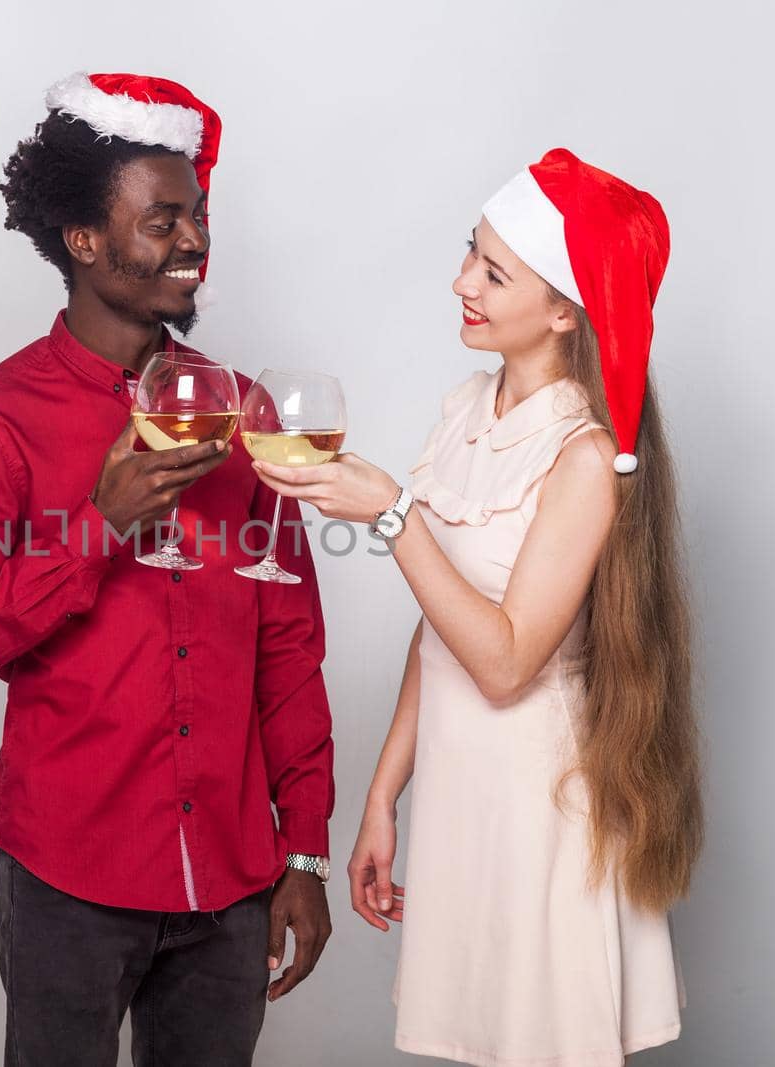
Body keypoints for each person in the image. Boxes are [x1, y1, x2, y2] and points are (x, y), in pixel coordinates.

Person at [0, 72, 335, 1067]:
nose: (192, 241)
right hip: (68, 868)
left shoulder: (246, 415)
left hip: (231, 874)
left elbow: (289, 644)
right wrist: (98, 527)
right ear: (84, 240)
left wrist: (302, 845)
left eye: (197, 217)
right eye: (162, 220)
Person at [251, 148, 703, 1065]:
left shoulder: (583, 458)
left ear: (564, 310)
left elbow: (501, 662)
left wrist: (390, 512)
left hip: (542, 805)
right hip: (463, 797)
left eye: (494, 272)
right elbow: (443, 626)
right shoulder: (465, 409)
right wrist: (383, 799)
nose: (462, 281)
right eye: (471, 253)